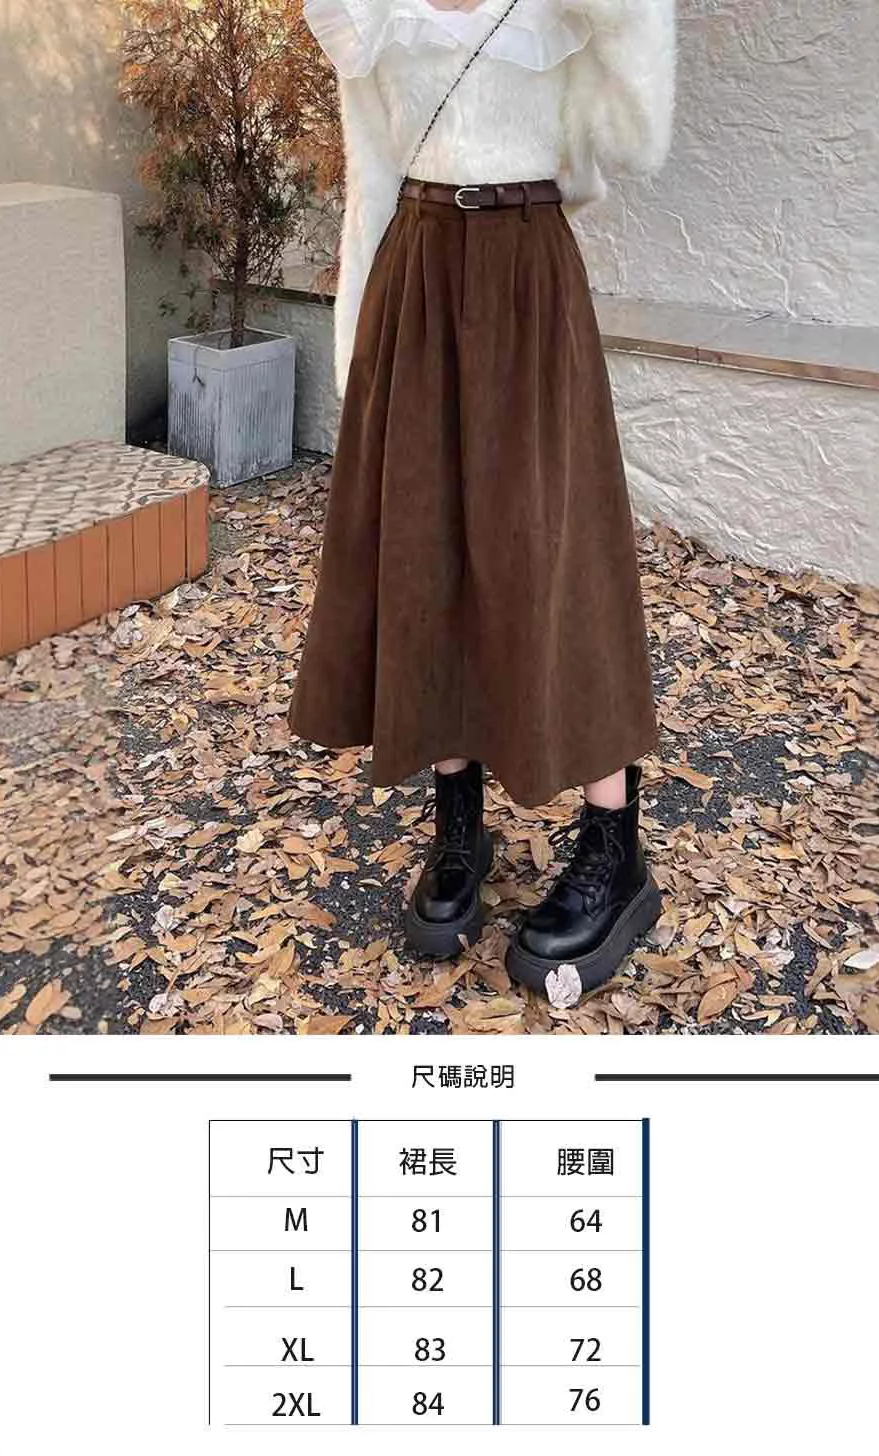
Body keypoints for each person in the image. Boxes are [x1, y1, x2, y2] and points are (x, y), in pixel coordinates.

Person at [291, 0, 676, 1000]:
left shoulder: (563, 8)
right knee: (429, 551)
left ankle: (614, 846)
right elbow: (370, 183)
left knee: (556, 554)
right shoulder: (374, 16)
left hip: (528, 277)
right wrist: (357, 353)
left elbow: (637, 139)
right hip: (417, 280)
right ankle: (458, 823)